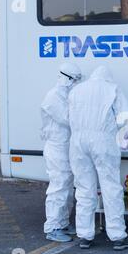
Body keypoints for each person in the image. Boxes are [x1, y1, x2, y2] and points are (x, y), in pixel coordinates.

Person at [68, 66, 128, 250]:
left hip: (78, 141)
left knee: (84, 189)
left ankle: (85, 236)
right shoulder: (112, 88)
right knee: (110, 187)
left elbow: (69, 116)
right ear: (108, 78)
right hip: (102, 140)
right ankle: (117, 236)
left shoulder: (76, 90)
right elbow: (124, 117)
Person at [41, 63, 82, 242]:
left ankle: (63, 223)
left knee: (67, 187)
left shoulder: (67, 95)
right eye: (75, 79)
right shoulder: (53, 97)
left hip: (66, 147)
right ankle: (53, 227)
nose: (76, 83)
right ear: (66, 78)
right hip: (56, 147)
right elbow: (67, 119)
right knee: (58, 187)